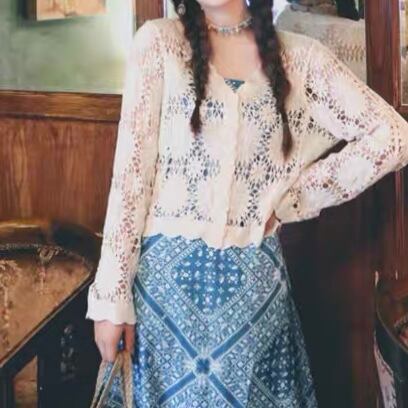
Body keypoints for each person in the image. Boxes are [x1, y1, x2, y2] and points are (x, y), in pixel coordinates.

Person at [85, 0, 408, 406]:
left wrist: (295, 199)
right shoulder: (159, 43)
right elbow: (130, 181)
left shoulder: (301, 58)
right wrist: (111, 301)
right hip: (162, 303)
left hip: (254, 302)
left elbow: (392, 137)